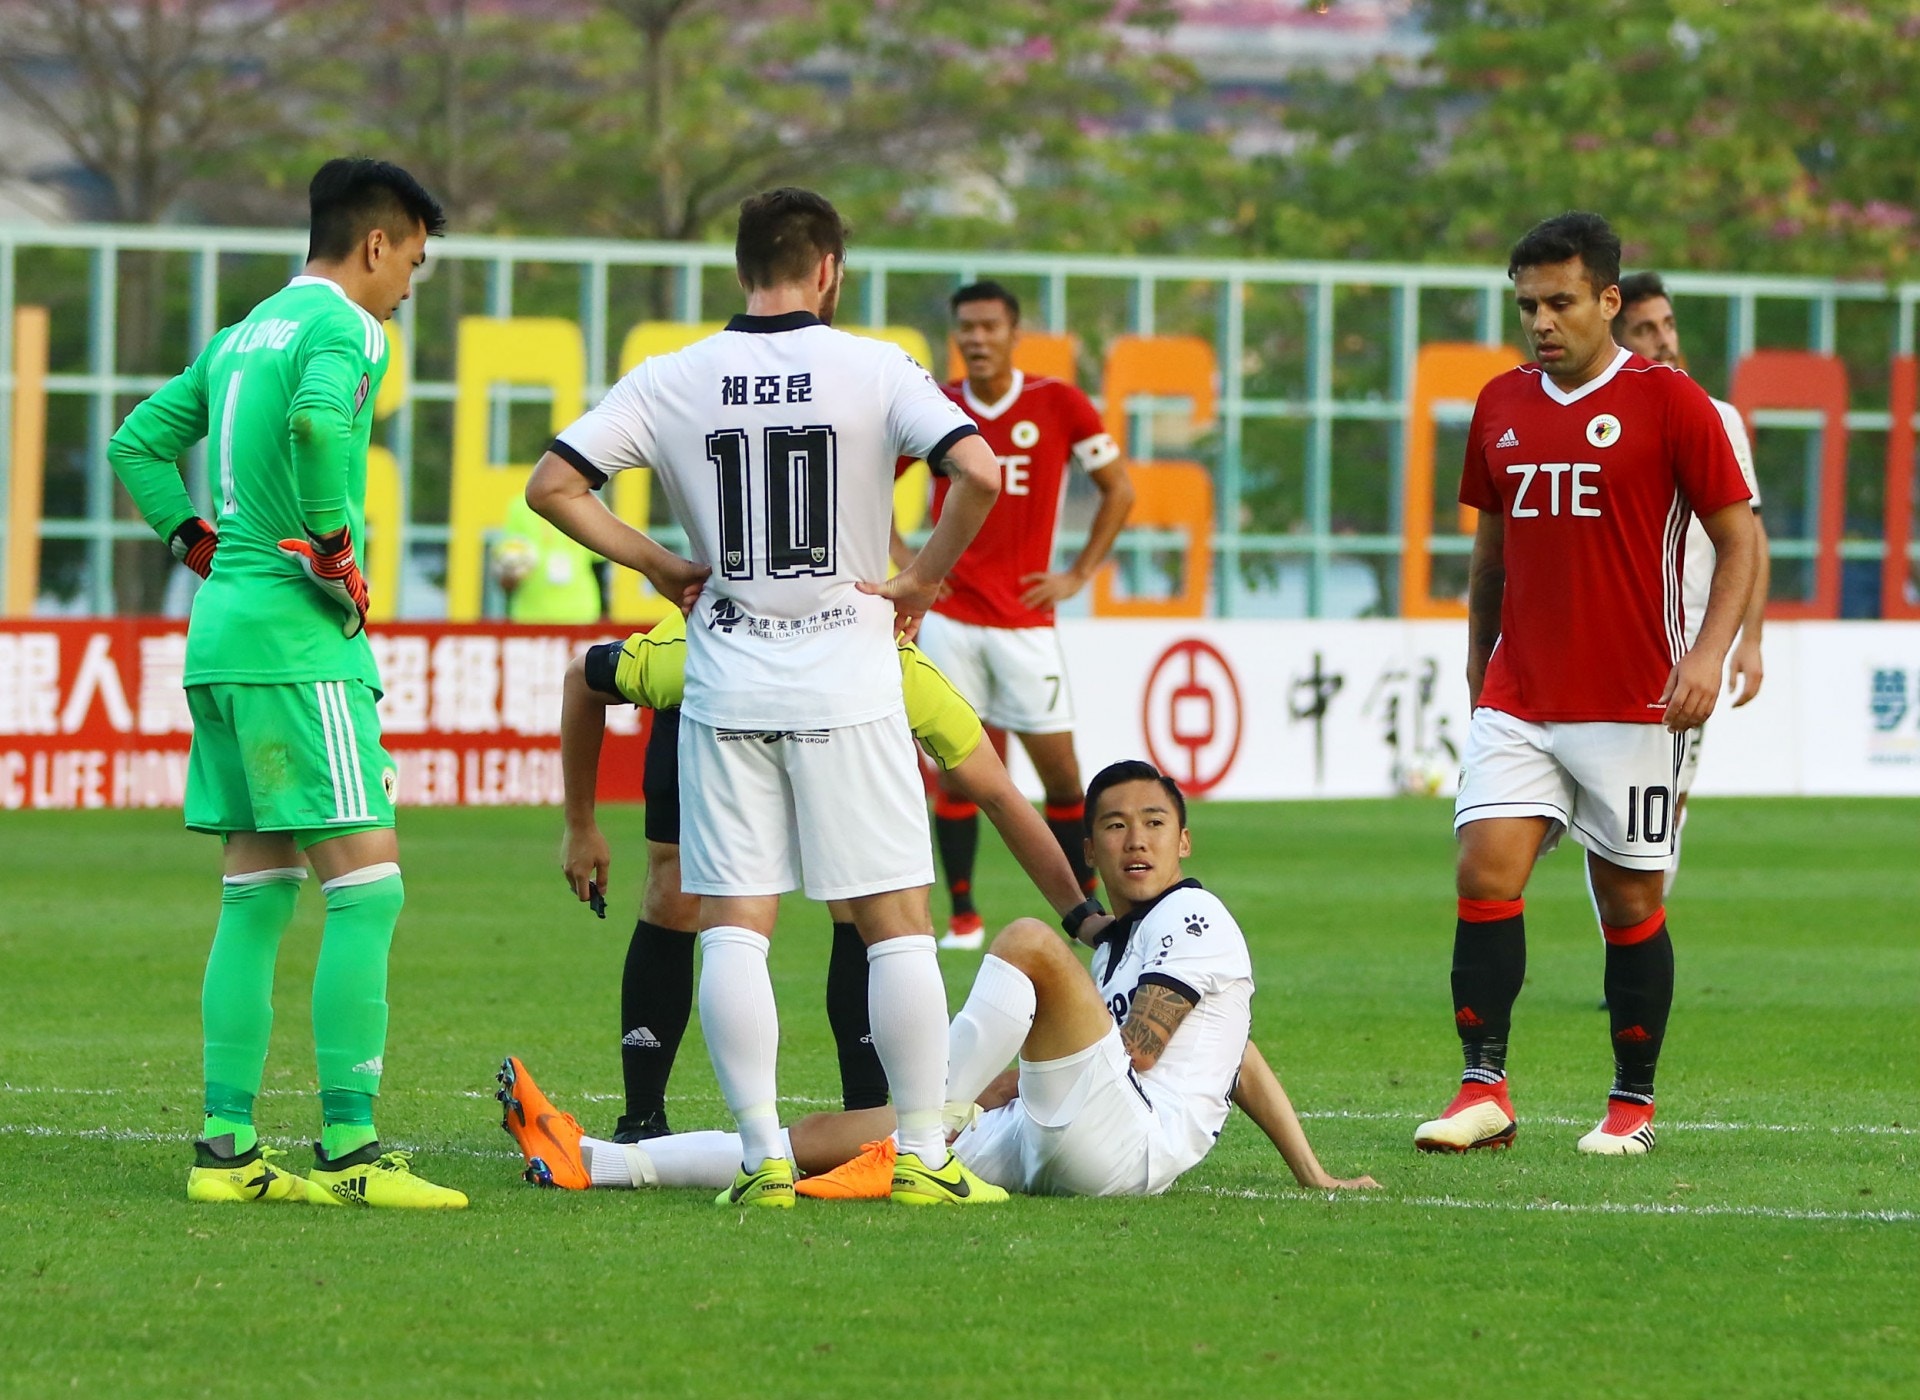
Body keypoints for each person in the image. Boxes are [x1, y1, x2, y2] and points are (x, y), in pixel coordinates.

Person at [525, 187, 1005, 1208]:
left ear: (742, 267)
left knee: (737, 923)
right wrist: (923, 580)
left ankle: (761, 1160)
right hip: (850, 679)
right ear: (828, 269)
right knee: (897, 921)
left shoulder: (673, 376)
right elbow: (979, 470)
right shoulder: (876, 366)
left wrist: (657, 561)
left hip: (727, 680)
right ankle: (924, 1155)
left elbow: (552, 485)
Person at [499, 761, 1380, 1200]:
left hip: (1125, 1142)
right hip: (1059, 1133)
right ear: (1090, 849)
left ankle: (925, 1127)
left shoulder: (1195, 917)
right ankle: (597, 1161)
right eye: (1115, 826)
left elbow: (1141, 1053)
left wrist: (978, 1092)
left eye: (1154, 822)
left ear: (1183, 841)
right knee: (821, 1137)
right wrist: (1312, 1171)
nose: (1136, 839)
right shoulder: (1121, 943)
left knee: (1030, 941)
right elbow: (1237, 1053)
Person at [107, 158, 465, 1207]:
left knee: (256, 892)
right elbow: (315, 424)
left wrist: (193, 540)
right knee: (369, 887)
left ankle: (226, 1150)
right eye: (413, 263)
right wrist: (333, 549)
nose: (408, 287)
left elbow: (136, 444)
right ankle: (351, 1151)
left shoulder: (241, 333)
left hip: (220, 637)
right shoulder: (348, 328)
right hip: (297, 649)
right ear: (376, 244)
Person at [1414, 212, 1757, 1159]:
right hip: (1521, 695)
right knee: (1483, 873)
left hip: (1635, 701)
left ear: (1608, 299)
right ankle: (1484, 1087)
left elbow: (1739, 540)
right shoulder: (1500, 404)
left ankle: (1630, 1105)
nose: (1541, 321)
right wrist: (1479, 661)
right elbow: (1491, 554)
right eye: (1527, 305)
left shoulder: (1671, 402)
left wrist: (1708, 656)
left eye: (1559, 302)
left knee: (1629, 904)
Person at [551, 607, 1106, 1141]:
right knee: (679, 890)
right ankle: (643, 1119)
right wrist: (580, 826)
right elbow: (583, 680)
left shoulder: (890, 665)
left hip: (840, 722)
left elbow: (1000, 794)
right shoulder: (694, 649)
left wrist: (1081, 914)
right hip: (716, 713)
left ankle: (866, 1121)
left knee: (865, 898)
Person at [911, 281, 1135, 949]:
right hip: (952, 620)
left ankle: (1088, 909)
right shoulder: (935, 405)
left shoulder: (1057, 402)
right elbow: (869, 484)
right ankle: (962, 914)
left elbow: (1119, 490)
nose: (977, 338)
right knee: (957, 772)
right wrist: (908, 563)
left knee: (1061, 776)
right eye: (966, 327)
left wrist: (1078, 573)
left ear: (1014, 334)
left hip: (1025, 624)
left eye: (989, 326)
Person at [1612, 271, 1770, 895]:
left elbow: (1749, 537)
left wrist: (1749, 640)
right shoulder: (1602, 420)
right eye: (1645, 329)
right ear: (1617, 339)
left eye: (1668, 324)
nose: (1664, 340)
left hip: (1689, 645)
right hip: (1613, 639)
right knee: (1606, 809)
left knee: (1665, 800)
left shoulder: (1718, 418)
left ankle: (1635, 943)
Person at [492, 494, 606, 623]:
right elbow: (509, 560)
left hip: (582, 613)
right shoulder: (522, 505)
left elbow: (601, 566)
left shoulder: (590, 504)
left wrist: (604, 612)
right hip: (530, 614)